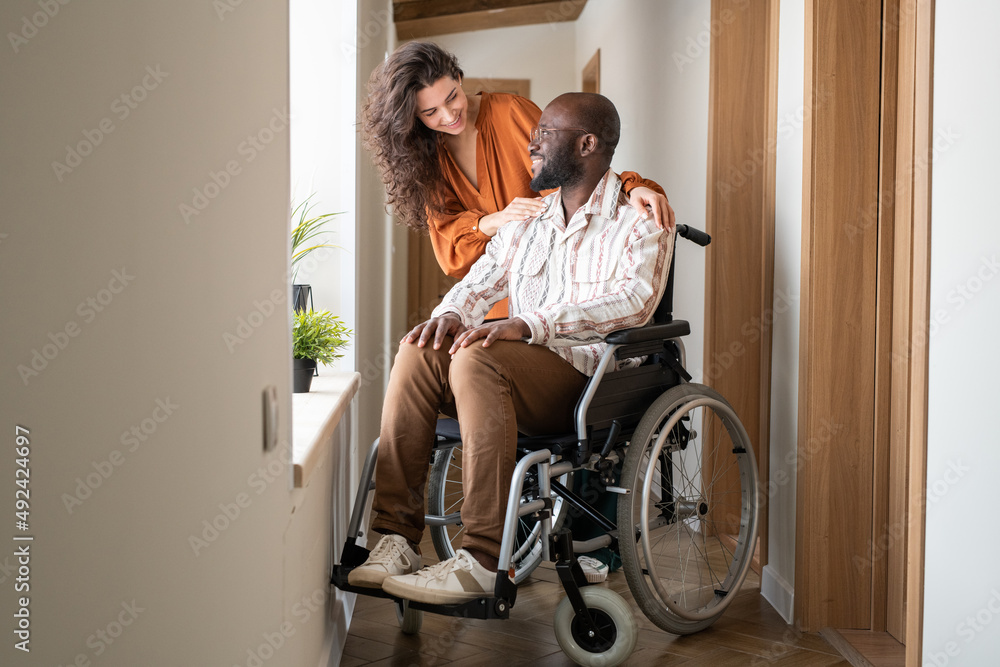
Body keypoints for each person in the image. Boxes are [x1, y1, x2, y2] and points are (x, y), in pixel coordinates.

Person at [348, 92, 675, 604]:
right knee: (421, 349)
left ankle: (480, 559)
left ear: (587, 144)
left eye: (545, 132)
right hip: (512, 375)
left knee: (479, 357)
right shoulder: (529, 219)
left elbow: (634, 302)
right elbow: (479, 282)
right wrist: (450, 317)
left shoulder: (638, 218)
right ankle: (394, 540)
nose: (532, 142)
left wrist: (529, 324)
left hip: (584, 379)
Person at [362, 41, 675, 318]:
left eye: (452, 97)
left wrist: (633, 185)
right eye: (430, 112)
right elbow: (451, 253)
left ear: (458, 78)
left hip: (553, 294)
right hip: (489, 300)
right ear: (413, 118)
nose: (448, 115)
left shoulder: (512, 113)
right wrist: (497, 220)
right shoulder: (425, 158)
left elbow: (575, 173)